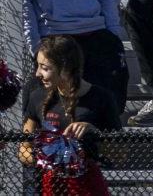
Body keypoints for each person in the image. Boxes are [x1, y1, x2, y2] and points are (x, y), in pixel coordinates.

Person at [20, 35, 122, 196]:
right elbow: (23, 149)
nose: (38, 73)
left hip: (86, 185)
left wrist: (94, 131)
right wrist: (46, 157)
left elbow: (119, 155)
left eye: (45, 68)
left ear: (66, 68)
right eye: (37, 66)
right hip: (50, 184)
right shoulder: (37, 97)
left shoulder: (101, 98)